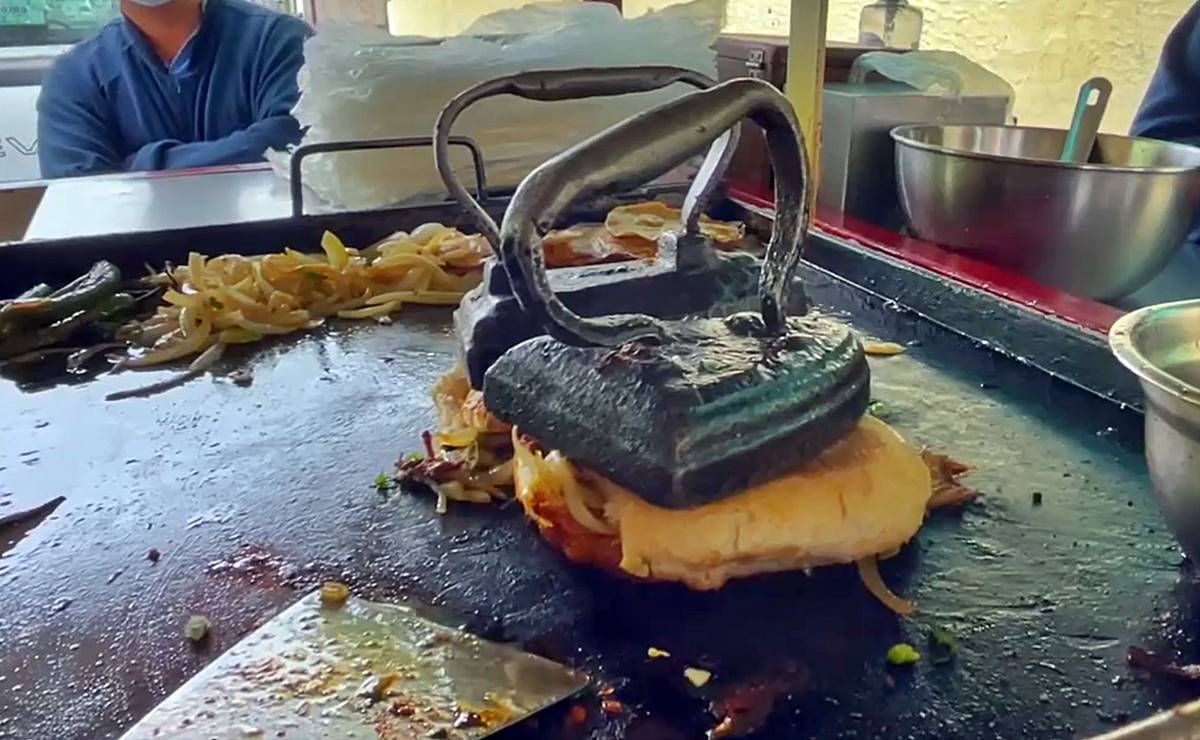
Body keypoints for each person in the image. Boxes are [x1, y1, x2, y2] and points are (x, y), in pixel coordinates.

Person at [37, 0, 311, 179]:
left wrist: (139, 167)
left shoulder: (279, 41)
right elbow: (77, 193)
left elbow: (296, 141)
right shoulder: (75, 76)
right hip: (134, 263)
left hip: (274, 259)